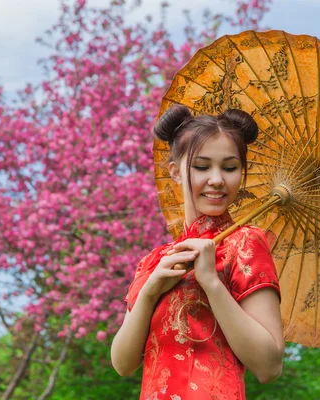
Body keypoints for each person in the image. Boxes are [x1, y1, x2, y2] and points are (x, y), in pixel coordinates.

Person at [111, 105, 285, 399]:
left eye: (229, 168)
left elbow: (269, 366)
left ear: (242, 173)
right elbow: (123, 364)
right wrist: (150, 291)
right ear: (175, 172)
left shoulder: (245, 244)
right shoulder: (156, 261)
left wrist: (212, 282)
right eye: (202, 167)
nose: (216, 180)